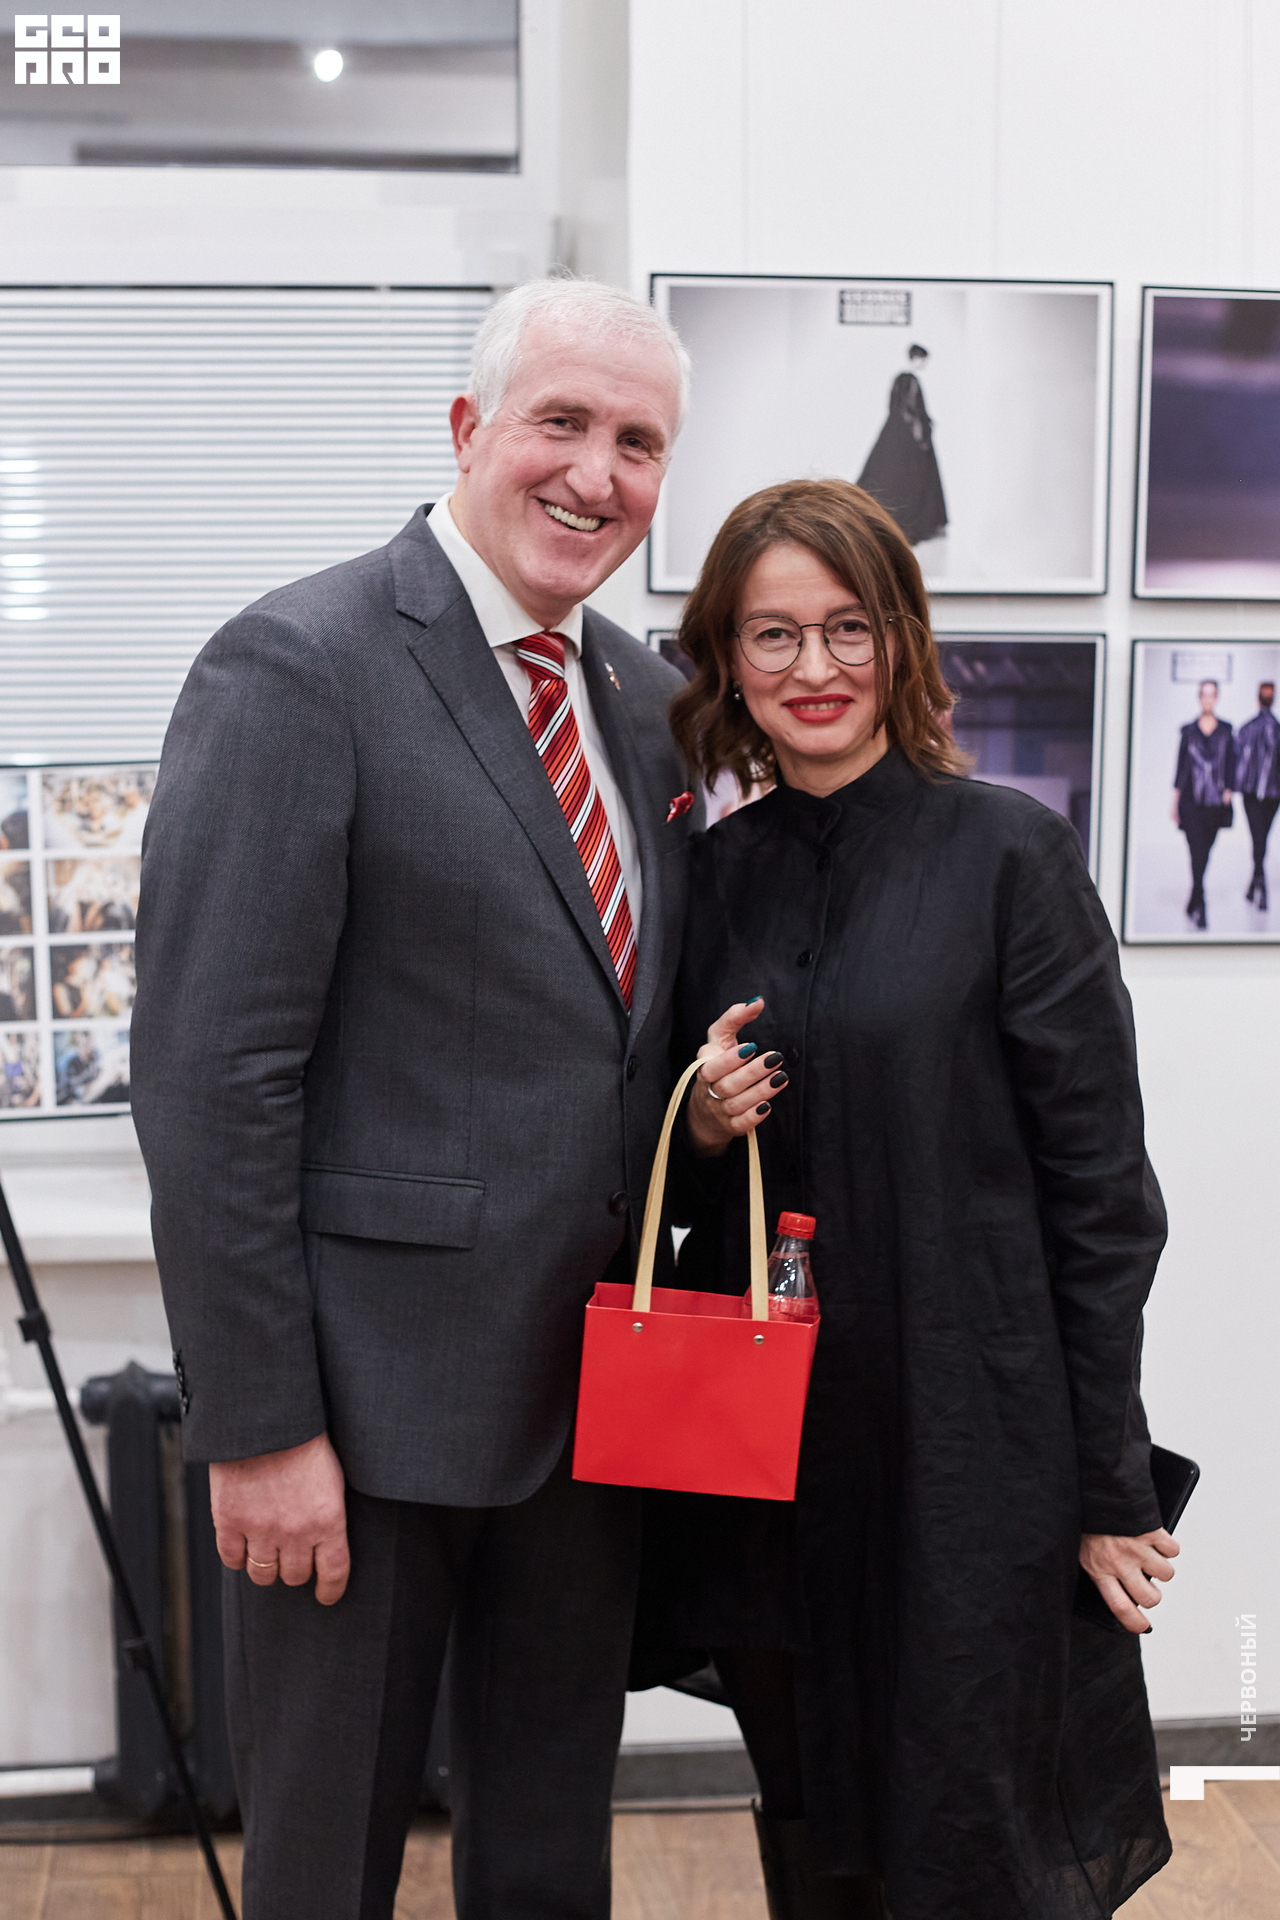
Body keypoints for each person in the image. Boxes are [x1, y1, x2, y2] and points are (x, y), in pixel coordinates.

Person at [130, 277, 718, 1920]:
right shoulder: (296, 665)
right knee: (326, 1877)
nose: (596, 474)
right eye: (562, 423)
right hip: (360, 1430)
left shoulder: (642, 702)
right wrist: (259, 1427)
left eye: (638, 443)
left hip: (587, 1423)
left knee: (548, 1869)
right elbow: (210, 1080)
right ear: (468, 428)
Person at [636, 478, 1176, 1920]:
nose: (812, 667)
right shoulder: (708, 881)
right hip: (773, 1459)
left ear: (900, 639)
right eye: (772, 634)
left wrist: (1109, 1485)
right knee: (813, 1825)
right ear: (727, 659)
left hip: (968, 1453)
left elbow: (1103, 1200)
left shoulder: (1009, 857)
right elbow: (659, 1181)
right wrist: (700, 1124)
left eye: (846, 628)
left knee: (972, 1837)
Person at [855, 343, 947, 548]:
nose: (924, 363)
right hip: (909, 438)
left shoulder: (899, 379)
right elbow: (910, 410)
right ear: (916, 358)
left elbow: (895, 408)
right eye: (923, 359)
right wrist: (921, 436)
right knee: (911, 478)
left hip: (894, 434)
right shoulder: (911, 380)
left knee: (890, 475)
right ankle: (909, 524)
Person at [1172, 679, 1234, 930]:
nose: (1208, 699)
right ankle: (1202, 904)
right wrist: (1174, 802)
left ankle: (1193, 898)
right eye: (1204, 694)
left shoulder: (1227, 730)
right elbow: (1181, 767)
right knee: (1195, 850)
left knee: (1205, 851)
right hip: (1190, 800)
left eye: (1212, 694)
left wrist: (1229, 790)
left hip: (1216, 801)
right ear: (1200, 697)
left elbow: (1231, 763)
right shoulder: (1188, 731)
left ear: (1216, 698)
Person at [1234, 678, 1280, 911]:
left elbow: (1238, 763)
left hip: (1254, 793)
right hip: (1271, 793)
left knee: (1258, 838)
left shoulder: (1246, 729)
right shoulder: (1276, 729)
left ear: (1258, 699)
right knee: (1261, 838)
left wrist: (1235, 787)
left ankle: (1258, 885)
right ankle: (1257, 885)